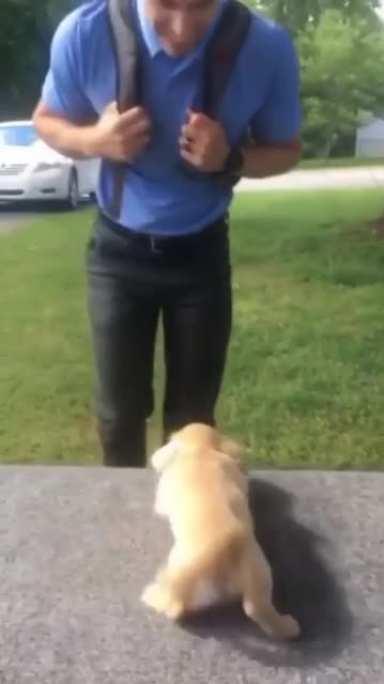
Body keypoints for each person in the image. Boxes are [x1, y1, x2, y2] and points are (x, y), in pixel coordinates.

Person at [33, 0, 302, 468]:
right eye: (164, 7)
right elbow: (46, 119)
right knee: (118, 416)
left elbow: (286, 149)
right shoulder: (86, 32)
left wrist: (231, 158)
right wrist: (94, 142)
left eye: (199, 9)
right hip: (117, 254)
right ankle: (122, 524)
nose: (180, 29)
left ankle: (190, 523)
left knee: (193, 423)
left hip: (202, 255)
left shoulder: (266, 46)